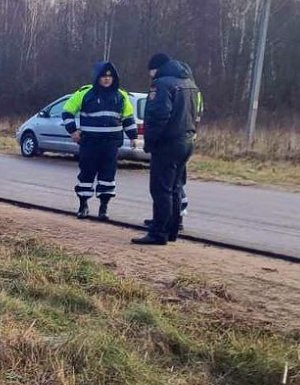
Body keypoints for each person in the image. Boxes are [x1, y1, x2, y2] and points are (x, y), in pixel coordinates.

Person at [133, 53, 201, 245]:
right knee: (175, 187)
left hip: (167, 143)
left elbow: (158, 115)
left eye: (150, 73)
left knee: (160, 189)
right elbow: (198, 112)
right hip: (187, 141)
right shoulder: (190, 83)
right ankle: (172, 230)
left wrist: (150, 141)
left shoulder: (161, 84)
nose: (150, 77)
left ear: (156, 69)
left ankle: (158, 233)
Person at [61, 61, 138, 220]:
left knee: (108, 176)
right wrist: (73, 131)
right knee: (86, 175)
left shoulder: (121, 96)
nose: (107, 79)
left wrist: (133, 136)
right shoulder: (84, 93)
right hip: (89, 143)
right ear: (97, 77)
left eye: (110, 76)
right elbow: (67, 112)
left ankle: (104, 208)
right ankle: (83, 205)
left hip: (110, 144)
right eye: (103, 76)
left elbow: (128, 118)